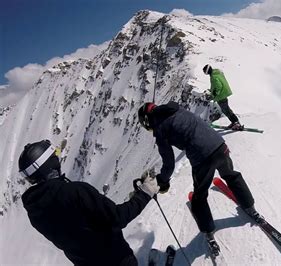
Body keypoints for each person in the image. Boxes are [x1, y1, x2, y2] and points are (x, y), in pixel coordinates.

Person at [137, 101, 261, 254]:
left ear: (147, 121)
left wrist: (163, 181)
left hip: (202, 158)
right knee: (231, 175)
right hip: (220, 145)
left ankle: (208, 232)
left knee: (199, 197)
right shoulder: (177, 108)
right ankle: (250, 207)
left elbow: (168, 164)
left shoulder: (160, 130)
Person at [19, 139, 159, 266]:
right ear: (50, 164)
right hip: (116, 260)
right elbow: (118, 217)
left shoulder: (35, 211)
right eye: (54, 154)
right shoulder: (75, 192)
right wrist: (145, 193)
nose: (57, 156)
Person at [202, 64, 243, 130]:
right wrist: (212, 91)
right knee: (226, 110)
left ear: (207, 71)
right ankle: (234, 122)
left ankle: (236, 123)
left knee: (226, 110)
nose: (205, 73)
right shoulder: (216, 73)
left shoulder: (213, 77)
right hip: (223, 94)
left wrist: (215, 94)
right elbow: (216, 86)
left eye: (205, 72)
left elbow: (218, 86)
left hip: (221, 95)